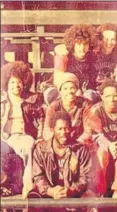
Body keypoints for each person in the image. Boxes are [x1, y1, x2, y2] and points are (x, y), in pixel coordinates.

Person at [29, 111, 94, 212]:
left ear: (71, 129)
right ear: (52, 129)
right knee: (32, 197)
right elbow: (38, 177)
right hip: (49, 196)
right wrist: (50, 191)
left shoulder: (80, 149)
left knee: (91, 198)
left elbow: (86, 178)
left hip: (73, 196)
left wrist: (71, 190)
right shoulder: (41, 149)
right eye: (59, 129)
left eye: (66, 128)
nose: (63, 132)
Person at [84, 79, 117, 197]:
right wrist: (110, 145)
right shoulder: (95, 110)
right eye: (108, 96)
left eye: (115, 95)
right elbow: (95, 135)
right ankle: (99, 190)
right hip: (102, 145)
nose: (112, 99)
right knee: (101, 153)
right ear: (102, 96)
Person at [1, 61, 45, 197]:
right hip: (4, 137)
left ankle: (28, 187)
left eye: (19, 82)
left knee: (27, 147)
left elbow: (41, 119)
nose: (16, 85)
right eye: (13, 82)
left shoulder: (31, 99)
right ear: (7, 83)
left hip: (23, 135)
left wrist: (40, 137)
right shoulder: (2, 100)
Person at [49, 24, 99, 103]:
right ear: (73, 43)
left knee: (89, 95)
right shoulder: (64, 55)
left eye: (85, 44)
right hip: (65, 90)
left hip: (84, 93)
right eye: (78, 44)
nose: (82, 48)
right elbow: (58, 80)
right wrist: (74, 92)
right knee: (52, 95)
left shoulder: (92, 57)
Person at [43, 72, 92, 142]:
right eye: (65, 88)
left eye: (72, 88)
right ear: (60, 91)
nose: (69, 91)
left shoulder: (85, 105)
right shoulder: (53, 107)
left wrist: (78, 143)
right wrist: (57, 142)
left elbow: (88, 131)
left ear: (77, 89)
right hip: (59, 142)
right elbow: (47, 130)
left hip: (79, 143)